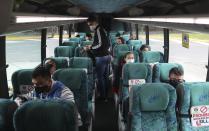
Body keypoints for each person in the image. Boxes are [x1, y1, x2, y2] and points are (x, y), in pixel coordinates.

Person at [86, 15, 111, 101]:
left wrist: (91, 48)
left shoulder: (99, 30)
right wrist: (92, 45)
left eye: (90, 24)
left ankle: (103, 96)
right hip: (106, 56)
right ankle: (106, 95)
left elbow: (100, 44)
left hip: (101, 57)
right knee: (105, 77)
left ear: (94, 23)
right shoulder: (102, 29)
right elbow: (104, 43)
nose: (89, 27)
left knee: (100, 77)